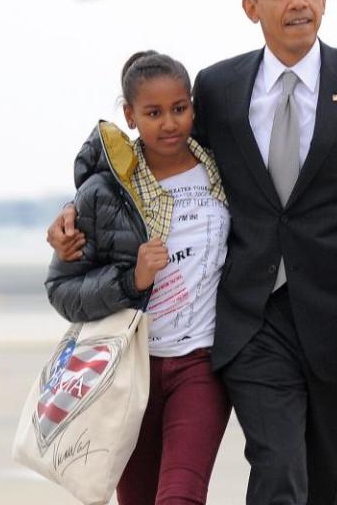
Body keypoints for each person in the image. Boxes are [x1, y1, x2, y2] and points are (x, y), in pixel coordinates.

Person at [48, 0, 337, 505]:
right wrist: (78, 204)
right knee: (277, 473)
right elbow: (157, 154)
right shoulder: (219, 88)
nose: (297, 2)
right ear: (252, 8)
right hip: (254, 320)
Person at [45, 51, 232, 504]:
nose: (169, 123)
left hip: (201, 364)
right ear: (130, 115)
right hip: (129, 372)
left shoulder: (223, 169)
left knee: (181, 496)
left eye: (179, 108)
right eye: (153, 113)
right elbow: (62, 289)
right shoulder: (103, 193)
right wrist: (133, 281)